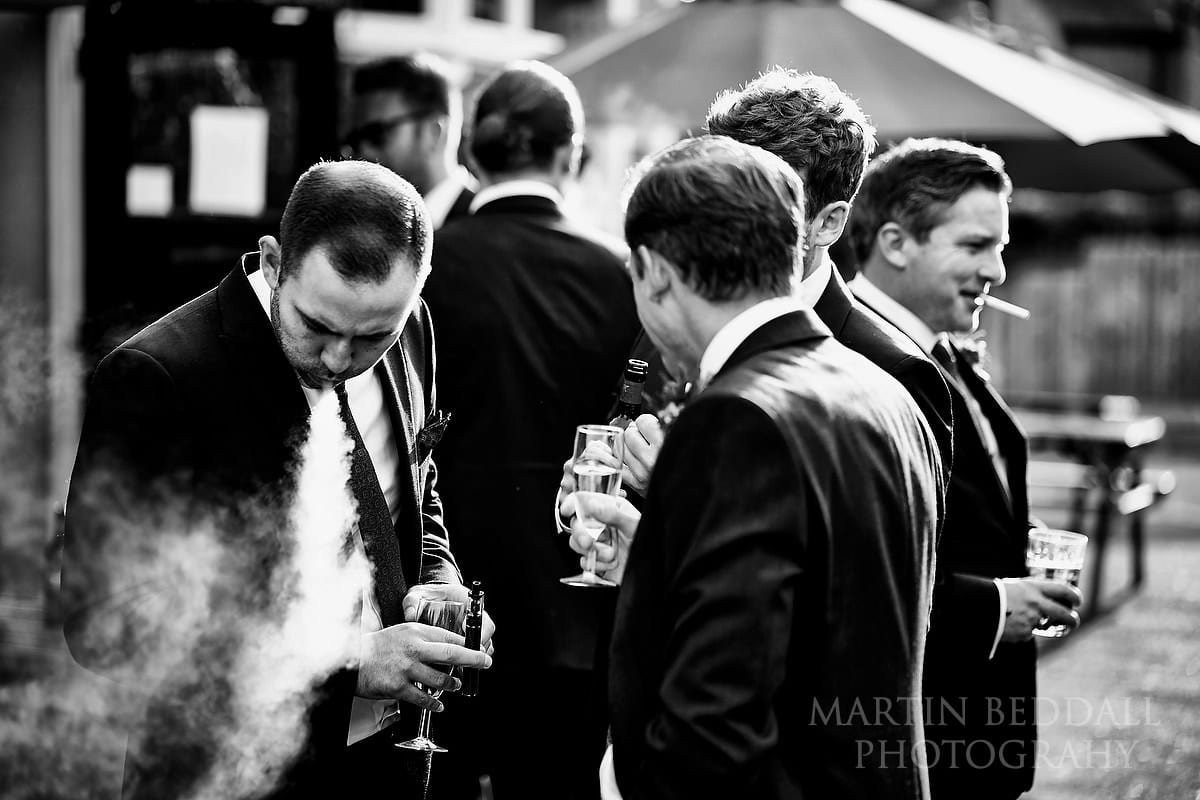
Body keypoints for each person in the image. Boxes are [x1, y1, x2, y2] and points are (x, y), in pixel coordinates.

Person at [61, 160, 493, 800]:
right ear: (272, 262)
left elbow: (412, 492)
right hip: (224, 774)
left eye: (373, 336)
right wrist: (348, 665)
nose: (339, 359)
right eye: (316, 326)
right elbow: (105, 624)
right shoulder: (158, 376)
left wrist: (438, 579)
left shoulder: (413, 329)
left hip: (384, 766)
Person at [572, 135, 941, 799]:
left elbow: (714, 724)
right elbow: (825, 616)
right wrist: (659, 565)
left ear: (654, 271)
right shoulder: (886, 391)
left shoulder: (735, 418)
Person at [565, 68, 952, 511]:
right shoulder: (667, 323)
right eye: (720, 189)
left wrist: (676, 492)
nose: (727, 215)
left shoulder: (893, 370)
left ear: (828, 222)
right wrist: (579, 505)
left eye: (770, 197)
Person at [421, 61, 639, 800]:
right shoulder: (620, 272)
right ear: (570, 155)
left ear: (471, 152)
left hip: (445, 604)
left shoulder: (428, 267)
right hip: (575, 604)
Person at [847, 137, 1083, 799]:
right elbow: (862, 567)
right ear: (896, 243)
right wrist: (996, 605)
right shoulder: (860, 359)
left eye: (1000, 247)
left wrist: (1017, 538)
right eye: (976, 246)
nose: (998, 271)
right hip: (916, 731)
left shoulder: (940, 347)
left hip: (981, 723)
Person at [347, 53, 476, 229]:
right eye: (355, 139)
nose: (364, 151)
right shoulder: (368, 228)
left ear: (434, 132)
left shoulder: (486, 222)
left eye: (377, 133)